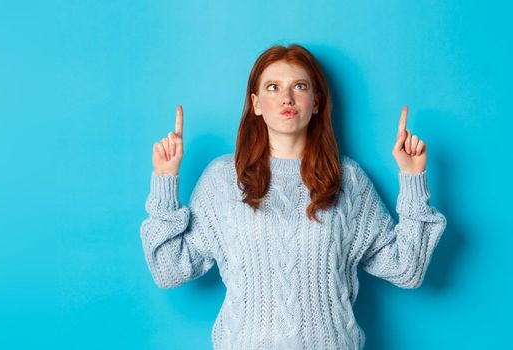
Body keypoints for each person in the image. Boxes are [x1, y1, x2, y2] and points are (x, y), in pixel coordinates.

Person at [139, 44, 447, 350]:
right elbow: (170, 270)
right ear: (256, 103)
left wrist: (412, 178)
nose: (287, 98)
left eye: (299, 86)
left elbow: (407, 269)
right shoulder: (222, 179)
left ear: (316, 102)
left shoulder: (347, 179)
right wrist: (166, 182)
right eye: (273, 87)